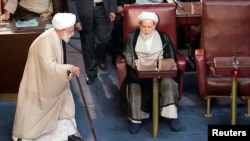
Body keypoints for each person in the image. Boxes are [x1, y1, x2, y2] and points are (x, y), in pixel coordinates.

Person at [12, 13, 83, 141]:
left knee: (65, 99)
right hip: (39, 85)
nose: (73, 34)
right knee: (37, 111)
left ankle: (68, 131)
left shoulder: (54, 36)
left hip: (49, 81)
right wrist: (68, 68)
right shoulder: (45, 41)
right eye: (71, 31)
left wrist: (66, 69)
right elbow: (49, 67)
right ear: (62, 30)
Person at [122, 11, 181, 134]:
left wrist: (161, 68)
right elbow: (129, 56)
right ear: (139, 25)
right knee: (134, 86)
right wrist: (141, 68)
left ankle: (172, 116)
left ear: (155, 26)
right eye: (143, 26)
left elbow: (170, 57)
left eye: (150, 27)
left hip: (160, 72)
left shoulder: (163, 37)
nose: (146, 30)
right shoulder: (132, 37)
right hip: (139, 73)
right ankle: (136, 120)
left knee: (169, 83)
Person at [72, 0, 117, 84]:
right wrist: (76, 19)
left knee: (104, 39)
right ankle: (91, 73)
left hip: (103, 9)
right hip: (84, 12)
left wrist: (113, 9)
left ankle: (100, 56)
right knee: (88, 44)